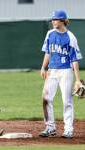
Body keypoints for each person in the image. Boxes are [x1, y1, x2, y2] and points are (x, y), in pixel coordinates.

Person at [39, 10, 83, 138]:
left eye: (55, 19)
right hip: (52, 70)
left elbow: (74, 60)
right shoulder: (50, 34)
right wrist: (43, 67)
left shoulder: (71, 37)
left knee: (67, 101)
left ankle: (68, 129)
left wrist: (77, 79)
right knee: (46, 99)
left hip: (66, 71)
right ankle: (50, 127)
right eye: (52, 19)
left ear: (63, 20)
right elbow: (47, 52)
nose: (53, 21)